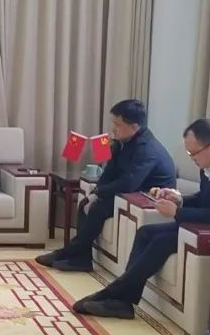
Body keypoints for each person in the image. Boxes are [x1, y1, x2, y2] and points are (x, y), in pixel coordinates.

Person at [74, 118, 210, 319]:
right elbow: (206, 198)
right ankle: (122, 301)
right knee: (145, 233)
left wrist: (177, 213)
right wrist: (180, 199)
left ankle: (113, 294)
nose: (191, 158)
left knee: (161, 241)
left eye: (193, 153)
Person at [37, 99, 176, 272]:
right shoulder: (124, 142)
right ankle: (81, 259)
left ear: (134, 127)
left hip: (146, 199)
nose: (113, 128)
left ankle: (66, 252)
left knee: (97, 208)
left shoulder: (147, 149)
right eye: (113, 123)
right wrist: (96, 192)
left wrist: (100, 193)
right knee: (85, 203)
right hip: (128, 195)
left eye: (118, 124)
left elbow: (129, 183)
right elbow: (109, 173)